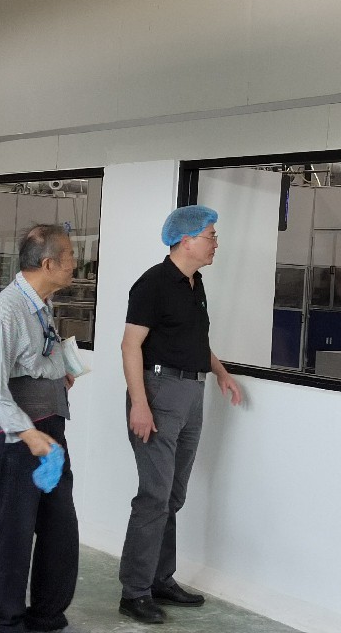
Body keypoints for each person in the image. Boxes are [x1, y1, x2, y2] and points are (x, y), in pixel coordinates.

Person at [118, 205, 243, 625]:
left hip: (192, 392)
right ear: (186, 240)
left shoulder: (195, 284)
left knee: (172, 495)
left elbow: (194, 339)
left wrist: (220, 372)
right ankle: (134, 592)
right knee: (154, 495)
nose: (216, 243)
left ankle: (160, 579)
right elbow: (130, 346)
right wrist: (140, 403)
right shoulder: (152, 284)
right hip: (158, 393)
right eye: (211, 235)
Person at [0, 224, 81, 633]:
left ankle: (46, 615)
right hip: (22, 440)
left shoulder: (40, 304)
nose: (75, 263)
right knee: (14, 534)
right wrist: (26, 434)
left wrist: (58, 372)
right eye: (70, 256)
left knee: (59, 528)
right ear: (49, 263)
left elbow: (35, 358)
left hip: (49, 432)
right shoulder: (6, 310)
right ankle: (6, 623)